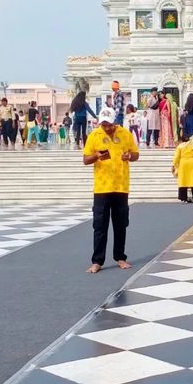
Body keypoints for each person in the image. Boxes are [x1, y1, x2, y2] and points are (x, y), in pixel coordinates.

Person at [83, 106, 139, 273]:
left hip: (121, 186)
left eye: (109, 125)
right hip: (102, 188)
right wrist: (96, 156)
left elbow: (136, 154)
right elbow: (85, 159)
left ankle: (120, 257)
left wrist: (129, 156)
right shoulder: (94, 135)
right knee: (100, 225)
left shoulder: (125, 134)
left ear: (115, 122)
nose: (106, 128)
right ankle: (97, 261)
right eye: (103, 125)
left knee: (120, 224)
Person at [172, 131, 193, 203]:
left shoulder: (180, 146)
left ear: (181, 140)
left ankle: (183, 198)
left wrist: (173, 165)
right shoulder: (192, 146)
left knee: (183, 180)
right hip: (192, 163)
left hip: (183, 163)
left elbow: (176, 157)